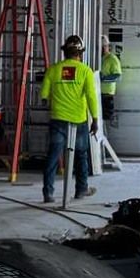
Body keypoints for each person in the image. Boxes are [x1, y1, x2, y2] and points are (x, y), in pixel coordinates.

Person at [40, 33, 99, 203]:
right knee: (81, 156)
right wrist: (95, 119)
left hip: (58, 119)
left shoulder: (53, 70)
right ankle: (81, 189)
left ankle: (48, 193)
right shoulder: (85, 71)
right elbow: (91, 97)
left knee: (53, 156)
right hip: (78, 120)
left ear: (64, 52)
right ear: (80, 53)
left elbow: (44, 95)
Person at [100, 37, 122, 125]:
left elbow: (117, 76)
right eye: (101, 47)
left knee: (105, 118)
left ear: (108, 46)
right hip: (97, 92)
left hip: (106, 94)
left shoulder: (112, 59)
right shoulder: (98, 58)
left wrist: (103, 78)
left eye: (104, 46)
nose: (102, 49)